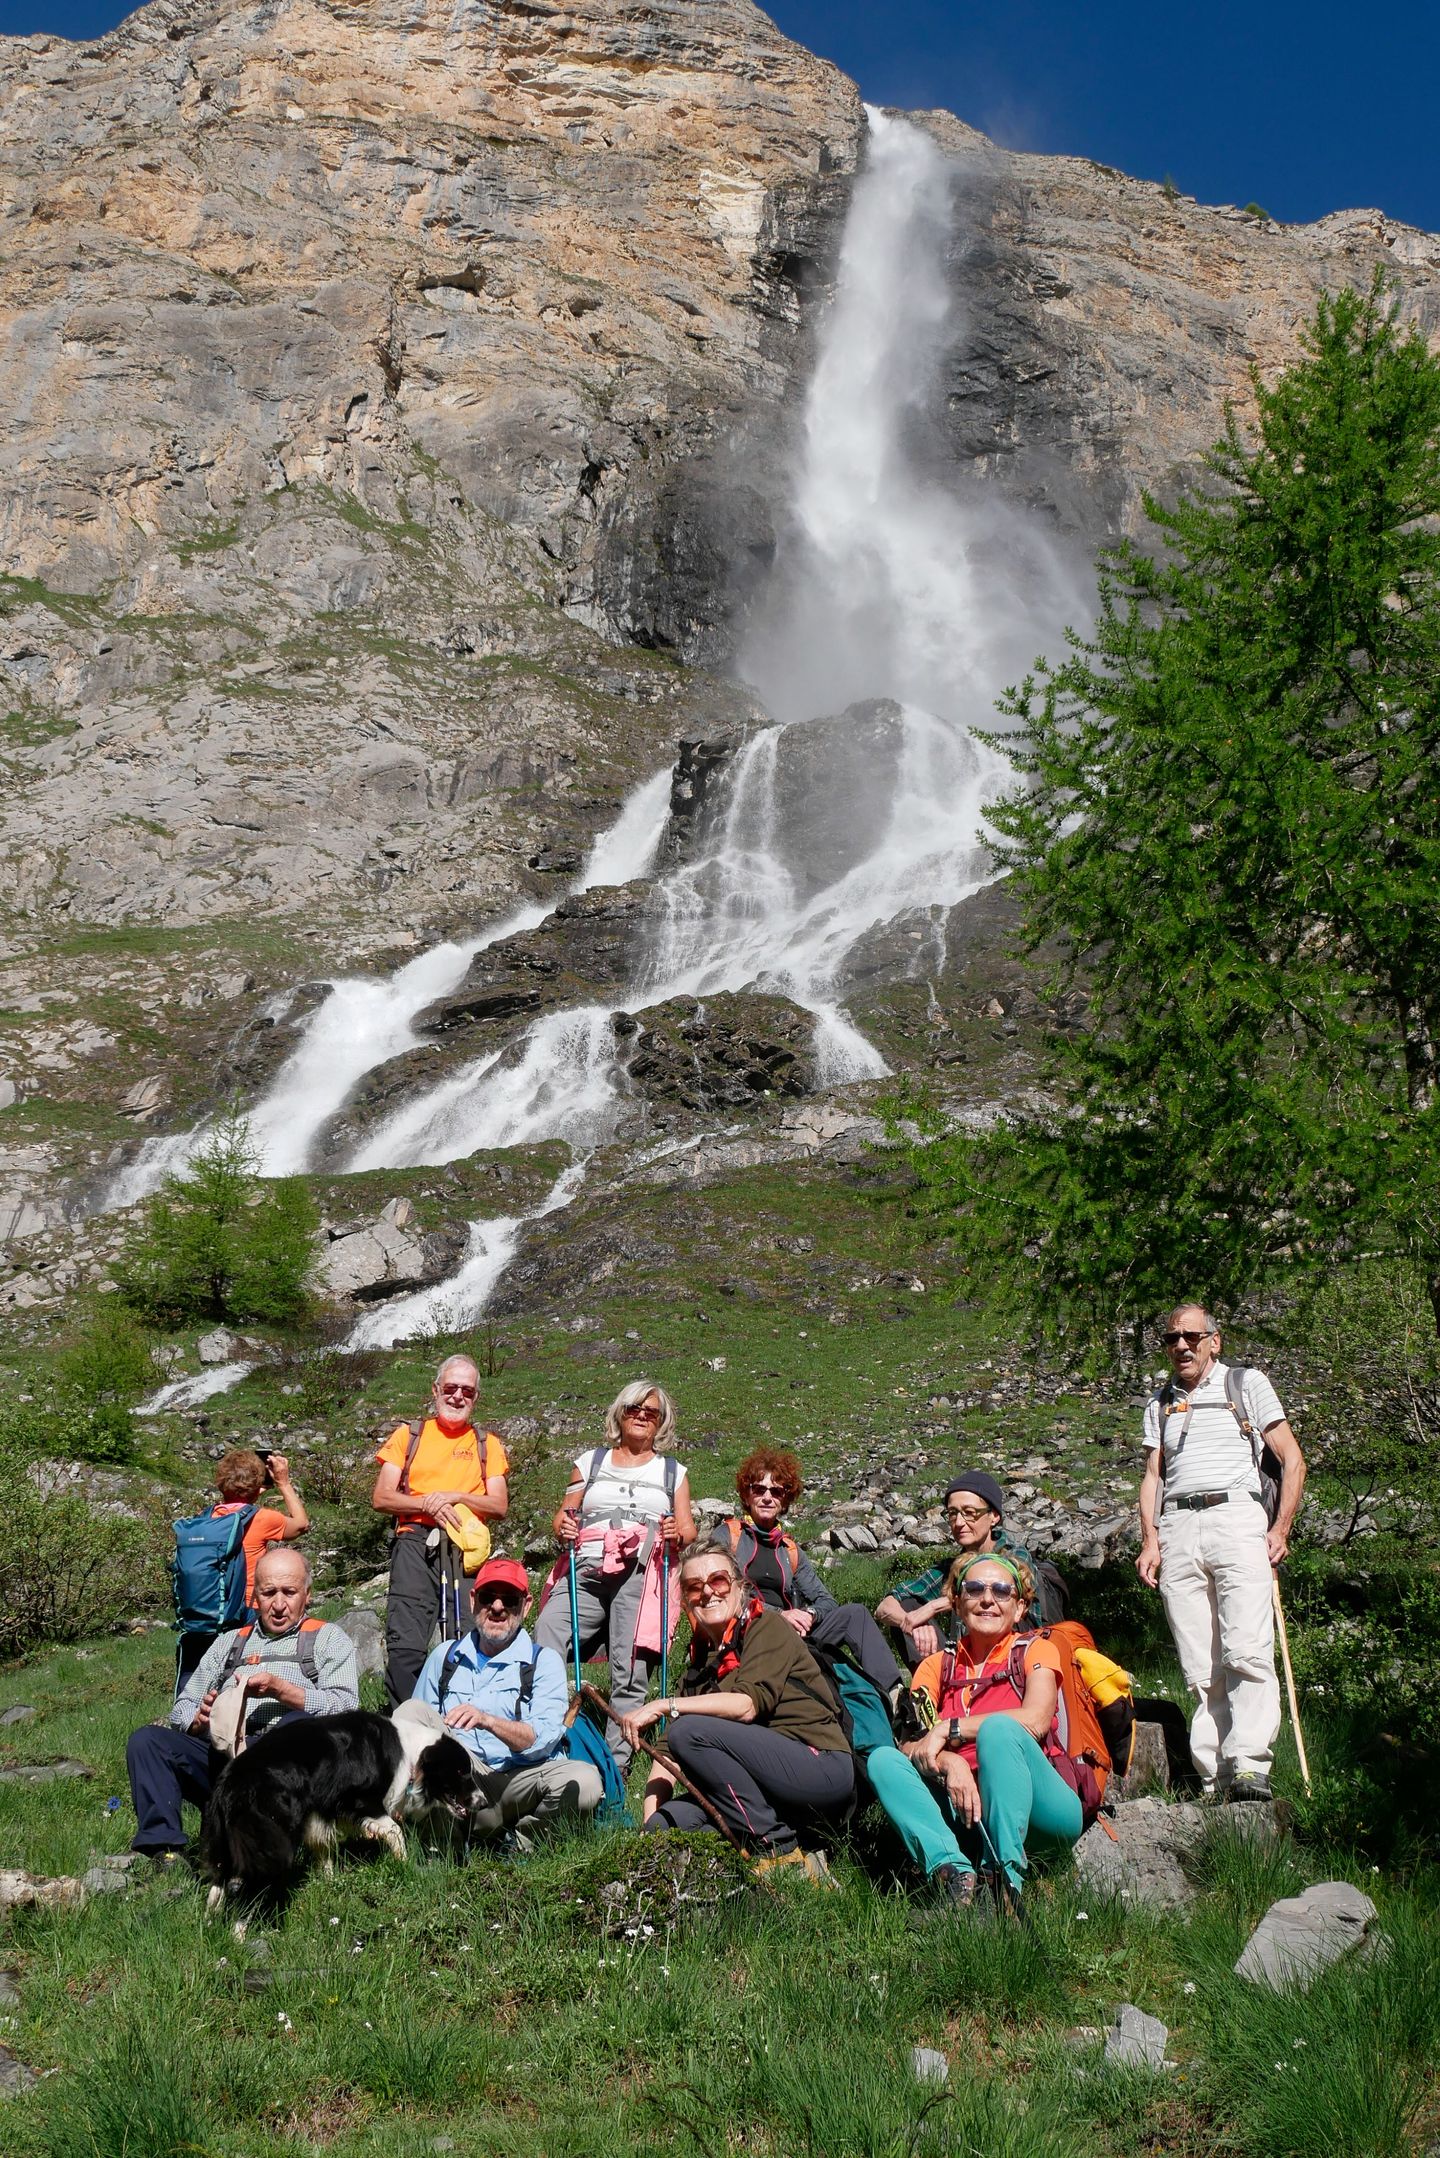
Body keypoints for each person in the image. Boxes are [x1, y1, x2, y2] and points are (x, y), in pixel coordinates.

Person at [1136, 1302, 1305, 1802]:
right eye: (1172, 1338)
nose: (1181, 1346)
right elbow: (1153, 1476)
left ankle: (1249, 1764)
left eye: (1191, 1336)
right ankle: (1214, 1777)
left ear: (1214, 1340)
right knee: (1199, 1663)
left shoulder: (1246, 1384)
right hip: (1178, 1526)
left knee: (1246, 1648)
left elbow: (1291, 1458)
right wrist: (1150, 1540)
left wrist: (1281, 1528)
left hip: (1237, 1517)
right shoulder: (1159, 1404)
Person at [625, 1544, 855, 1879]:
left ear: (739, 1585)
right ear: (686, 1600)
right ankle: (792, 1848)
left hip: (819, 1766)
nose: (707, 1592)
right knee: (669, 1824)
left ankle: (780, 1853)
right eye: (694, 1587)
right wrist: (650, 1829)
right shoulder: (698, 1670)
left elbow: (747, 1705)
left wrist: (664, 1705)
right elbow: (666, 1759)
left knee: (688, 1731)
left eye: (717, 1580)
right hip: (764, 1790)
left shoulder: (767, 1627)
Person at [127, 1547, 359, 1859]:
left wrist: (283, 1691)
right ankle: (164, 1851)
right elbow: (181, 1707)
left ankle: (264, 1847)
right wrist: (196, 1721)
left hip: (289, 1769)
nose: (279, 1604)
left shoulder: (328, 1638)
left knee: (297, 1727)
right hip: (226, 1756)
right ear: (254, 1597)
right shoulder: (229, 1643)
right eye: (269, 1593)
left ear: (307, 1595)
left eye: (289, 1592)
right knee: (148, 1742)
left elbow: (347, 1707)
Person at [903, 1552, 1083, 1911]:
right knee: (883, 1762)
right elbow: (910, 1744)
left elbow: (1035, 1720)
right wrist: (951, 1763)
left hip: (1043, 1811)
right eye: (974, 1589)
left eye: (1001, 1591)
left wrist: (950, 1728)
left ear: (1019, 1609)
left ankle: (1002, 1883)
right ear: (957, 1604)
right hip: (966, 1810)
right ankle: (955, 1875)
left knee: (999, 1729)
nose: (988, 1599)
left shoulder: (1037, 1651)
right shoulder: (936, 1666)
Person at [533, 1380, 695, 1772]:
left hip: (642, 1570)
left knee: (630, 1667)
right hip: (587, 1565)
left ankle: (613, 1768)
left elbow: (688, 1530)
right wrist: (563, 1525)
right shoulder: (589, 1462)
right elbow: (565, 1513)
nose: (642, 1416)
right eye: (634, 1408)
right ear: (619, 1413)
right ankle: (545, 1737)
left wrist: (676, 1532)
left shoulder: (673, 1472)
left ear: (661, 1421)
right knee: (548, 1631)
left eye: (651, 1412)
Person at [411, 1556, 603, 1848]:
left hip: (520, 1778)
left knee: (584, 1781)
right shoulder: (445, 1656)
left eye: (510, 1599)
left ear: (526, 1606)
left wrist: (488, 1721)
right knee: (411, 1712)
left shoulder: (543, 1662)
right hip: (463, 1779)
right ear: (473, 1600)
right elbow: (413, 1732)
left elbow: (542, 1740)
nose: (498, 1607)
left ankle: (521, 1845)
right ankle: (443, 1846)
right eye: (488, 1597)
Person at [372, 1354, 510, 1707]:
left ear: (476, 1397)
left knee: (468, 1636)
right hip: (414, 1542)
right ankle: (408, 1723)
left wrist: (455, 1496)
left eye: (467, 1390)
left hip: (465, 1548)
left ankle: (466, 1719)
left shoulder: (487, 1443)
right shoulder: (409, 1436)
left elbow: (499, 1505)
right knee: (406, 1642)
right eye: (450, 1388)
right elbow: (382, 1497)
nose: (457, 1396)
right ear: (435, 1390)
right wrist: (427, 1504)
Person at [714, 1448, 905, 1699]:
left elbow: (826, 1600)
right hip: (749, 1634)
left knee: (855, 1614)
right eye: (759, 1489)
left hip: (792, 1636)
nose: (767, 1498)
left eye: (776, 1492)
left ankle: (896, 1694)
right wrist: (780, 1615)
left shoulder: (789, 1550)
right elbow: (719, 1594)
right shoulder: (728, 1536)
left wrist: (809, 1614)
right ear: (746, 1495)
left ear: (785, 1500)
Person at [877, 1469, 1049, 1667]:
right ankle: (938, 1682)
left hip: (1017, 1660)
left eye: (969, 1513)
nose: (959, 1523)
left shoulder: (1015, 1555)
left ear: (994, 1516)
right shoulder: (953, 1566)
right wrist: (910, 1622)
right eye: (953, 1513)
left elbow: (999, 1596)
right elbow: (884, 1607)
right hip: (965, 1662)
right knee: (907, 1606)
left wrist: (933, 1606)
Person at [176, 1447, 310, 1685]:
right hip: (244, 1612)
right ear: (257, 1487)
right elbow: (301, 1524)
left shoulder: (205, 1519)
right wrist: (283, 1482)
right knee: (241, 1683)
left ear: (221, 1483)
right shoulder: (262, 1518)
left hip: (204, 1615)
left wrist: (253, 1490)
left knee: (200, 1685)